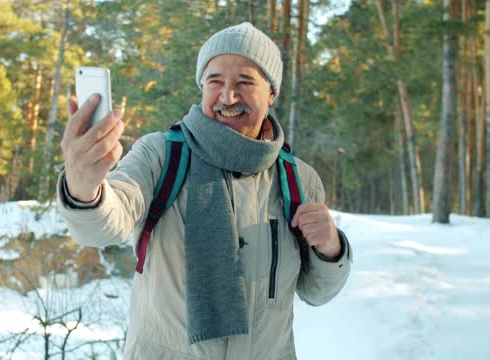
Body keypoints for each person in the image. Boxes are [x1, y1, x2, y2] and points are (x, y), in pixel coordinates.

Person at [57, 22, 351, 360]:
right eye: (215, 81)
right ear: (201, 87)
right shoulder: (159, 155)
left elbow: (317, 292)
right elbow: (106, 223)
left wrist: (331, 248)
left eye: (245, 82)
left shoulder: (299, 178)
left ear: (271, 93)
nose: (228, 96)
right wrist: (83, 186)